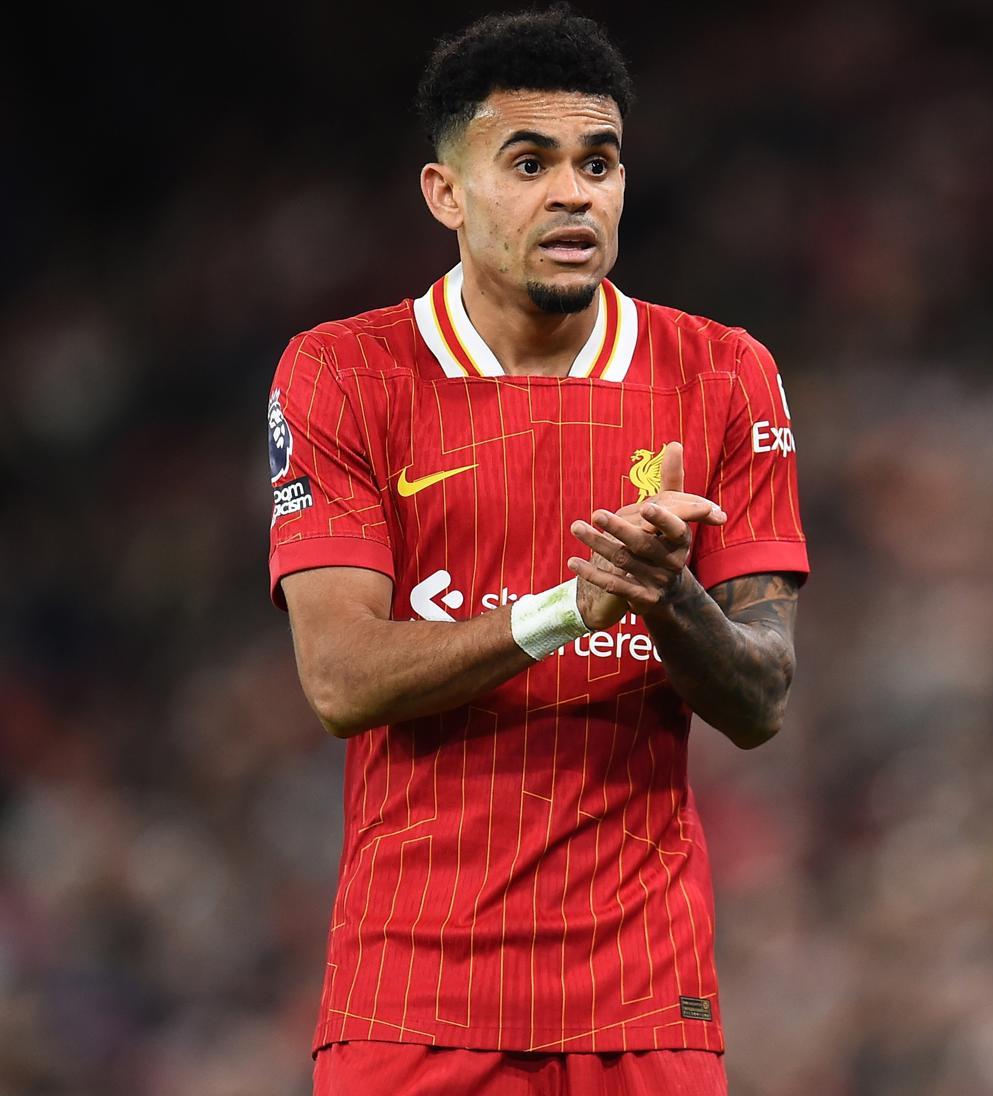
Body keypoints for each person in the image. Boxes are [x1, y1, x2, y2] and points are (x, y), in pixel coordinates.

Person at [265, 8, 806, 1093]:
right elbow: (339, 678)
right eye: (530, 162)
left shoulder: (723, 373)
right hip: (412, 998)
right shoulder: (344, 374)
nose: (574, 193)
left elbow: (759, 698)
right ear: (445, 194)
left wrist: (664, 596)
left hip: (647, 1001)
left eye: (597, 162)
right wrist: (568, 608)